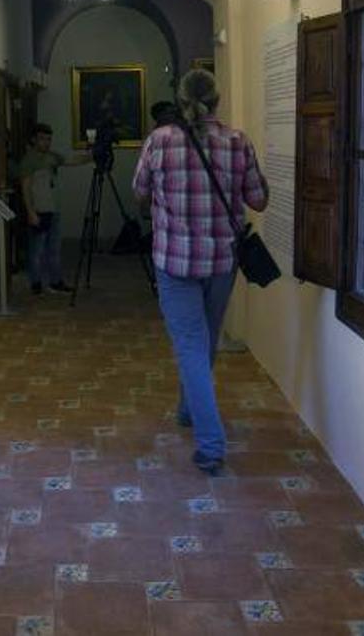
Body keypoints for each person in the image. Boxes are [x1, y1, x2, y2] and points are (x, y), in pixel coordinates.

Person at [132, 69, 268, 474]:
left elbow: (138, 193)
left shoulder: (159, 141)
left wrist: (164, 199)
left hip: (174, 261)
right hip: (222, 261)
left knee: (192, 345)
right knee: (203, 343)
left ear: (180, 98)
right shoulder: (237, 141)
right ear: (218, 99)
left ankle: (211, 444)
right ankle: (189, 409)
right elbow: (258, 200)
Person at [19, 123, 88, 295]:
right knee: (37, 250)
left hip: (53, 209)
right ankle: (36, 283)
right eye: (42, 139)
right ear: (34, 139)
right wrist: (30, 211)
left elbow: (71, 161)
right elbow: (25, 188)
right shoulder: (29, 161)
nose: (46, 143)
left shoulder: (52, 156)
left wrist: (91, 156)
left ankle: (55, 281)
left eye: (49, 139)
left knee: (54, 248)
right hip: (39, 210)